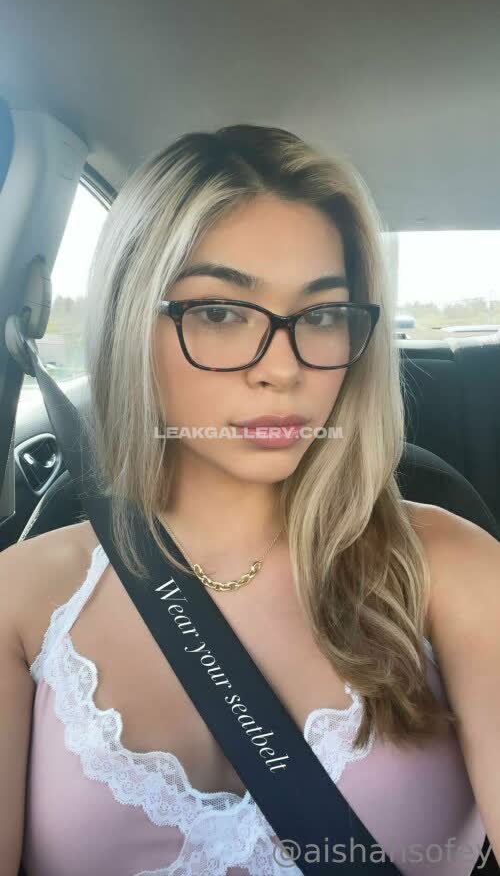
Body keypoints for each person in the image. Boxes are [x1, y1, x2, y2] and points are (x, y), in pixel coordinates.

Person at [1, 124, 499, 876]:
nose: (283, 369)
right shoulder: (22, 600)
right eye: (221, 312)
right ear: (131, 322)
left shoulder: (453, 572)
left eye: (322, 316)